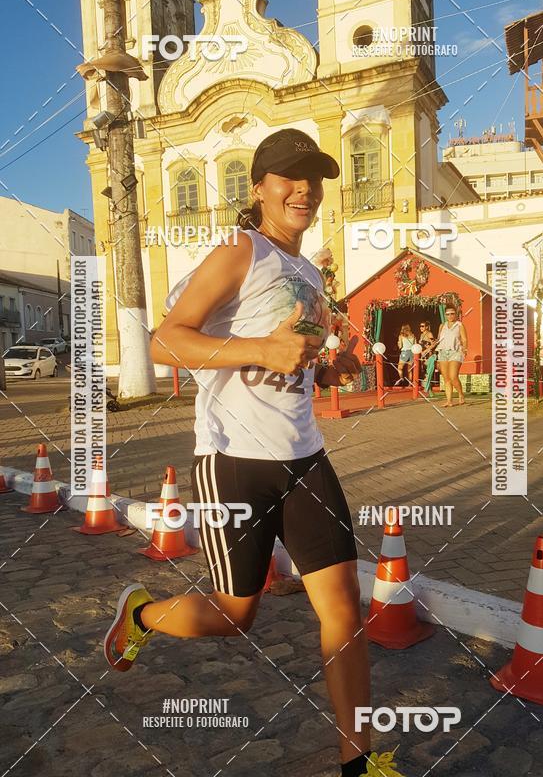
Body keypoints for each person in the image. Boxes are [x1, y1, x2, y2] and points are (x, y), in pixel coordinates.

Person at [103, 129, 381, 777]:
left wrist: (326, 370)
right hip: (234, 461)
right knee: (235, 616)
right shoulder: (240, 250)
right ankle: (141, 613)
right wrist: (261, 350)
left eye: (313, 176)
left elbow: (290, 358)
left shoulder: (309, 274)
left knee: (345, 607)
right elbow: (166, 343)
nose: (304, 188)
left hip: (304, 456)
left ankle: (362, 765)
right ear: (258, 188)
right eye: (288, 175)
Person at [436, 306, 468, 407]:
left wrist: (465, 349)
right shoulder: (442, 325)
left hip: (455, 352)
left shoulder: (459, 325)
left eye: (452, 314)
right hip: (443, 352)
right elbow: (439, 339)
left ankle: (461, 394)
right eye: (448, 314)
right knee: (446, 378)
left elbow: (464, 339)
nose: (450, 316)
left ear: (456, 314)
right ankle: (449, 401)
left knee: (453, 376)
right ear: (445, 315)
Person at [418, 320, 437, 396]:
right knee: (425, 373)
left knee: (429, 372)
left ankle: (429, 391)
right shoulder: (421, 335)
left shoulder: (429, 334)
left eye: (422, 326)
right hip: (423, 356)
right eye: (420, 326)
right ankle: (429, 391)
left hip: (429, 355)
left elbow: (433, 344)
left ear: (426, 327)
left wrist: (426, 350)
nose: (421, 328)